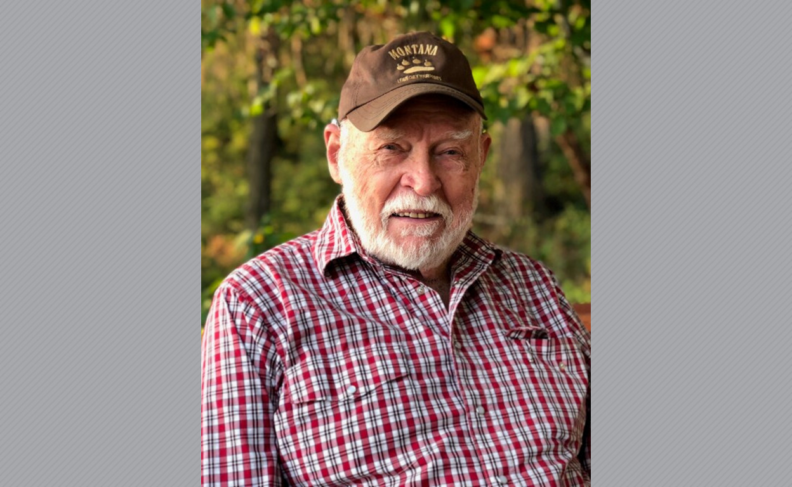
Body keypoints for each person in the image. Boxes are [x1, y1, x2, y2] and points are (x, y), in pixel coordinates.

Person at [202, 31, 590, 486]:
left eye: (450, 152)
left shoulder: (531, 285)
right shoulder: (258, 306)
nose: (423, 182)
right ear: (335, 153)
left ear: (480, 158)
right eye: (392, 148)